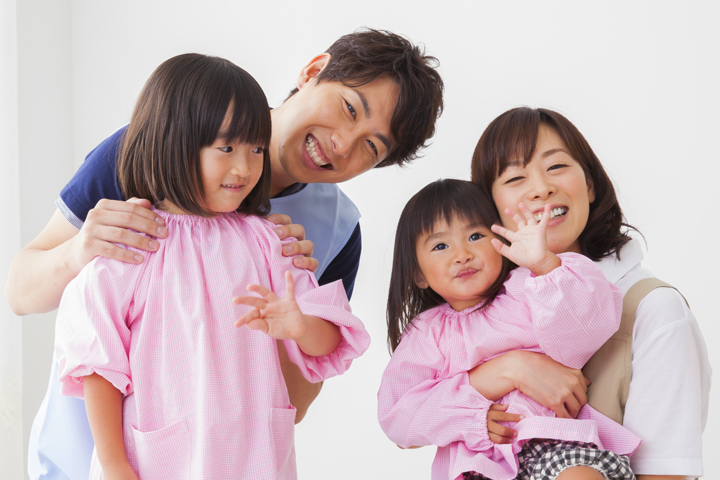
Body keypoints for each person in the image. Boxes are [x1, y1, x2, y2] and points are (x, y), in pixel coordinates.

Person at [4, 29, 443, 480]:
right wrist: (81, 251)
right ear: (313, 71)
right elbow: (20, 293)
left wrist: (282, 321)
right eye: (350, 108)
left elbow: (298, 398)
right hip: (93, 455)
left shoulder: (331, 231)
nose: (343, 145)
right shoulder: (154, 146)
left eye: (371, 146)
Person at [53, 53, 370, 480]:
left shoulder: (270, 241)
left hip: (254, 460)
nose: (245, 167)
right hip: (156, 463)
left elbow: (329, 341)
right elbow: (98, 365)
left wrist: (301, 326)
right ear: (174, 141)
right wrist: (113, 463)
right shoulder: (135, 241)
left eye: (256, 148)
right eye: (226, 148)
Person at [469, 107, 710, 479]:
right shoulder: (480, 310)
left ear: (591, 185)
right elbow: (412, 416)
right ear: (490, 208)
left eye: (556, 166)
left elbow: (665, 472)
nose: (541, 188)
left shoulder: (653, 309)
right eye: (515, 177)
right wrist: (512, 368)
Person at [378, 179, 640, 480]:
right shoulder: (426, 334)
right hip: (479, 461)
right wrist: (472, 409)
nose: (462, 254)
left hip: (555, 440)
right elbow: (398, 416)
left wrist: (545, 265)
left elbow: (588, 326)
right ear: (418, 275)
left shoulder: (527, 288)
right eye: (440, 246)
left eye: (475, 236)